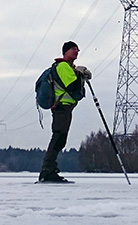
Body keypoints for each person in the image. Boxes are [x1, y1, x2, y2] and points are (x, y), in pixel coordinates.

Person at [38, 41, 91, 183]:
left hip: (65, 107)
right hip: (61, 107)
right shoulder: (62, 66)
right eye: (74, 49)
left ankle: (49, 169)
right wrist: (81, 75)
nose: (77, 51)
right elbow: (72, 85)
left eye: (77, 49)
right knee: (59, 137)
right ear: (66, 51)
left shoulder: (69, 67)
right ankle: (47, 170)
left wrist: (79, 73)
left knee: (60, 138)